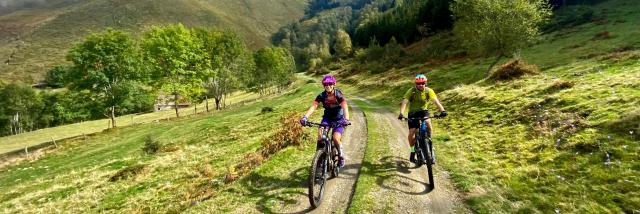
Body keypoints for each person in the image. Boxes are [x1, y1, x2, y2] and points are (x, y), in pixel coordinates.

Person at [300, 75, 351, 168]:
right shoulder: (321, 96)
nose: (328, 86)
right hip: (327, 119)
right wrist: (305, 117)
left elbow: (345, 107)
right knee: (320, 135)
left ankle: (341, 156)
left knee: (336, 138)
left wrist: (346, 119)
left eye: (330, 84)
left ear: (333, 84)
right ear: (324, 86)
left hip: (339, 120)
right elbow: (314, 106)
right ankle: (319, 157)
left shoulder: (338, 95)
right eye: (326, 84)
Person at [398, 74, 447, 163]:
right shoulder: (411, 91)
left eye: (422, 83)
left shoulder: (429, 91)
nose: (421, 85)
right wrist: (401, 113)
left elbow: (436, 101)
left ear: (425, 83)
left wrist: (443, 111)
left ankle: (429, 143)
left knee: (428, 123)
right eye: (418, 83)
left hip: (423, 111)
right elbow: (404, 102)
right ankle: (412, 152)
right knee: (412, 132)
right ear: (415, 84)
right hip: (413, 112)